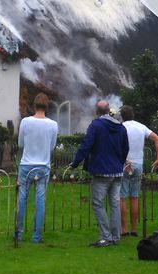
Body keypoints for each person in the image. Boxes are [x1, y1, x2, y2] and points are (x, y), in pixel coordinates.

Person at [69, 100, 129, 247]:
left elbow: (86, 145)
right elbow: (125, 148)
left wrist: (75, 162)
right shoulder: (121, 128)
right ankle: (115, 236)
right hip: (117, 172)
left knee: (97, 203)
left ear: (96, 112)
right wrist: (119, 162)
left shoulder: (96, 125)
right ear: (109, 111)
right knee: (114, 204)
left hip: (102, 171)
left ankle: (105, 237)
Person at [16, 93, 59, 243]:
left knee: (22, 199)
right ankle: (36, 236)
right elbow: (52, 146)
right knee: (40, 200)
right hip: (43, 166)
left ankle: (19, 233)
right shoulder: (53, 124)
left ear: (34, 105)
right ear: (47, 107)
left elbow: (20, 143)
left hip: (26, 165)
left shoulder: (25, 122)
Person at [119, 105, 158, 238]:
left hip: (125, 163)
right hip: (138, 163)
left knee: (122, 198)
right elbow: (157, 139)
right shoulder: (141, 127)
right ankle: (133, 229)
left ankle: (124, 229)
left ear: (122, 116)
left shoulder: (121, 128)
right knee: (134, 197)